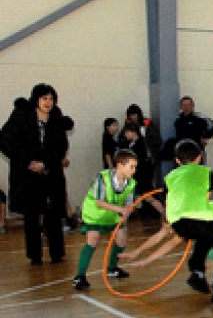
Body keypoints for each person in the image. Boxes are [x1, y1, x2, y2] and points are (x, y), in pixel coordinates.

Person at [0, 83, 72, 265]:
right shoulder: (21, 117)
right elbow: (6, 141)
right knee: (31, 216)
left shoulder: (56, 117)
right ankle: (35, 256)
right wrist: (27, 162)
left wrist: (46, 163)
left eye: (51, 99)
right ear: (36, 100)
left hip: (51, 173)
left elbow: (61, 146)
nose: (48, 102)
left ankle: (57, 254)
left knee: (54, 214)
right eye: (44, 98)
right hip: (27, 176)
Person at [165, 139, 213, 306]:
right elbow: (205, 199)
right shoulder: (206, 172)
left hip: (177, 220)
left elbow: (169, 201)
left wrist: (170, 222)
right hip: (199, 215)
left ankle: (197, 272)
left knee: (205, 238)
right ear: (199, 158)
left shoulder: (169, 177)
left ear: (177, 161)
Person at [122, 201, 213, 279]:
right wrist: (136, 252)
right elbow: (157, 237)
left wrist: (147, 261)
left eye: (170, 229)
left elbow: (170, 244)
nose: (170, 232)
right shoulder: (175, 216)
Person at [72, 149, 137, 290]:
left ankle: (112, 267)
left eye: (135, 167)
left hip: (112, 214)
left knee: (122, 239)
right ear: (119, 165)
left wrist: (127, 213)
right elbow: (99, 202)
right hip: (95, 214)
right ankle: (79, 276)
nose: (134, 170)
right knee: (93, 241)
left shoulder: (131, 183)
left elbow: (129, 204)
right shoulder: (103, 178)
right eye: (131, 166)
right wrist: (121, 210)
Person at [119, 123, 164, 216]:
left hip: (142, 174)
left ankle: (164, 213)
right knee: (133, 195)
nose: (125, 135)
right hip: (138, 174)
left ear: (133, 132)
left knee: (148, 196)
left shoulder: (140, 144)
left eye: (127, 132)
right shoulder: (132, 144)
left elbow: (140, 161)